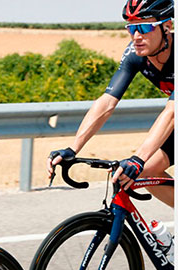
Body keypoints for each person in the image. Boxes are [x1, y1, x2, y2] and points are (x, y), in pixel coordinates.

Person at [48, 0, 174, 206]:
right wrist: (73, 148)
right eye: (131, 28)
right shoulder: (135, 53)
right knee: (145, 172)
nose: (136, 36)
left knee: (141, 164)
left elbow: (172, 112)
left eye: (143, 27)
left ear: (167, 26)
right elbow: (107, 102)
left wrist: (137, 158)